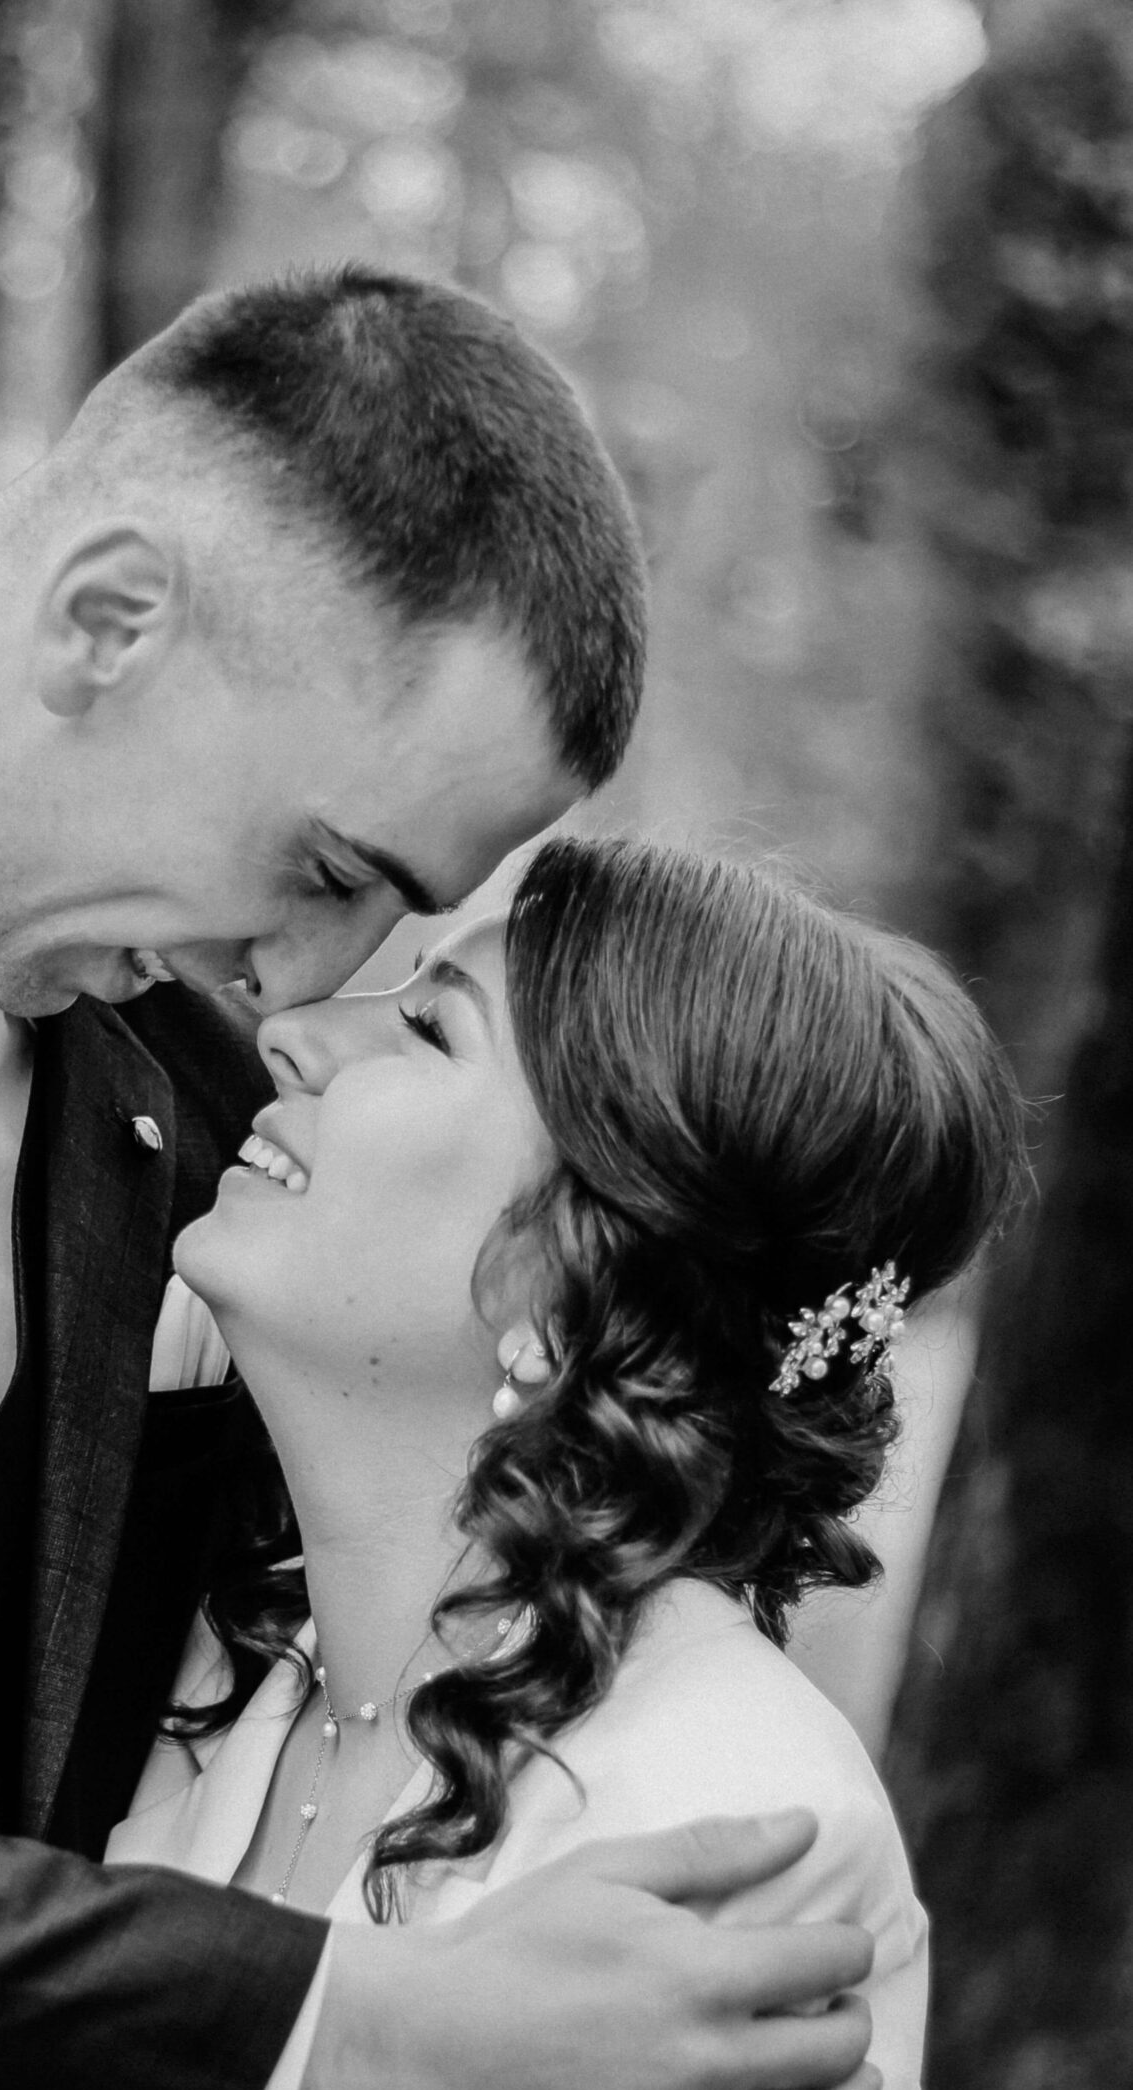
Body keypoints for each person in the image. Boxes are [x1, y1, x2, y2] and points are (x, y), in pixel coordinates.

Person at [0, 267, 874, 2090]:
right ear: (109, 622)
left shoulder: (188, 1108)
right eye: (331, 865)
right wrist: (342, 2010)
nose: (296, 980)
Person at [111, 836, 1026, 2090]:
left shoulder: (730, 1816)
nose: (296, 1034)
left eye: (431, 1029)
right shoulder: (228, 1643)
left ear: (583, 1268)